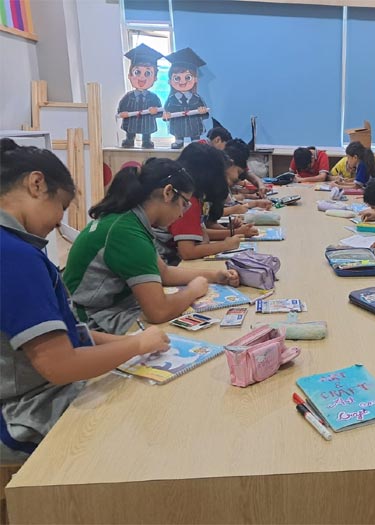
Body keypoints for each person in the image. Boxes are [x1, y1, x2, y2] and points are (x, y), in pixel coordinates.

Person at [0, 139, 171, 461]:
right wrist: (137, 345)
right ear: (36, 184)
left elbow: (65, 336)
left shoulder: (16, 249)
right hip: (20, 414)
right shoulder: (14, 256)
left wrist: (133, 343)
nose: (58, 221)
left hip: (33, 390)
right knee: (147, 422)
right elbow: (59, 364)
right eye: (62, 207)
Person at [63, 157, 240, 335]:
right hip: (95, 320)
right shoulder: (126, 232)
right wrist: (192, 291)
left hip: (113, 307)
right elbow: (158, 312)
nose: (181, 214)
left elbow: (164, 272)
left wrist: (214, 276)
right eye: (184, 204)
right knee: (183, 333)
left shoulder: (130, 219)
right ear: (168, 193)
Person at [154, 143, 247, 265]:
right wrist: (226, 245)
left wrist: (230, 232)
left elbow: (197, 234)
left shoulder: (195, 197)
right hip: (167, 261)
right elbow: (187, 252)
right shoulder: (187, 201)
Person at [117, 44, 163, 149]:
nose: (142, 77)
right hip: (131, 123)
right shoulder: (128, 97)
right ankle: (129, 139)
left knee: (147, 131)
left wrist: (156, 111)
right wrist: (122, 113)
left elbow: (160, 112)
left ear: (155, 78)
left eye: (148, 73)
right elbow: (121, 109)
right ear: (130, 76)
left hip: (147, 123)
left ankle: (146, 140)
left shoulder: (153, 97)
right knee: (130, 130)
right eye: (137, 72)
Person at [163, 47, 209, 149]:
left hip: (194, 128)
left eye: (188, 77)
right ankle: (179, 140)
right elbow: (165, 114)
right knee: (178, 132)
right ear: (170, 81)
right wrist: (166, 115)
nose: (182, 82)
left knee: (195, 138)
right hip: (178, 127)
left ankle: (195, 140)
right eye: (177, 78)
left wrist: (203, 111)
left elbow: (205, 115)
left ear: (195, 79)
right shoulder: (171, 99)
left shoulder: (197, 98)